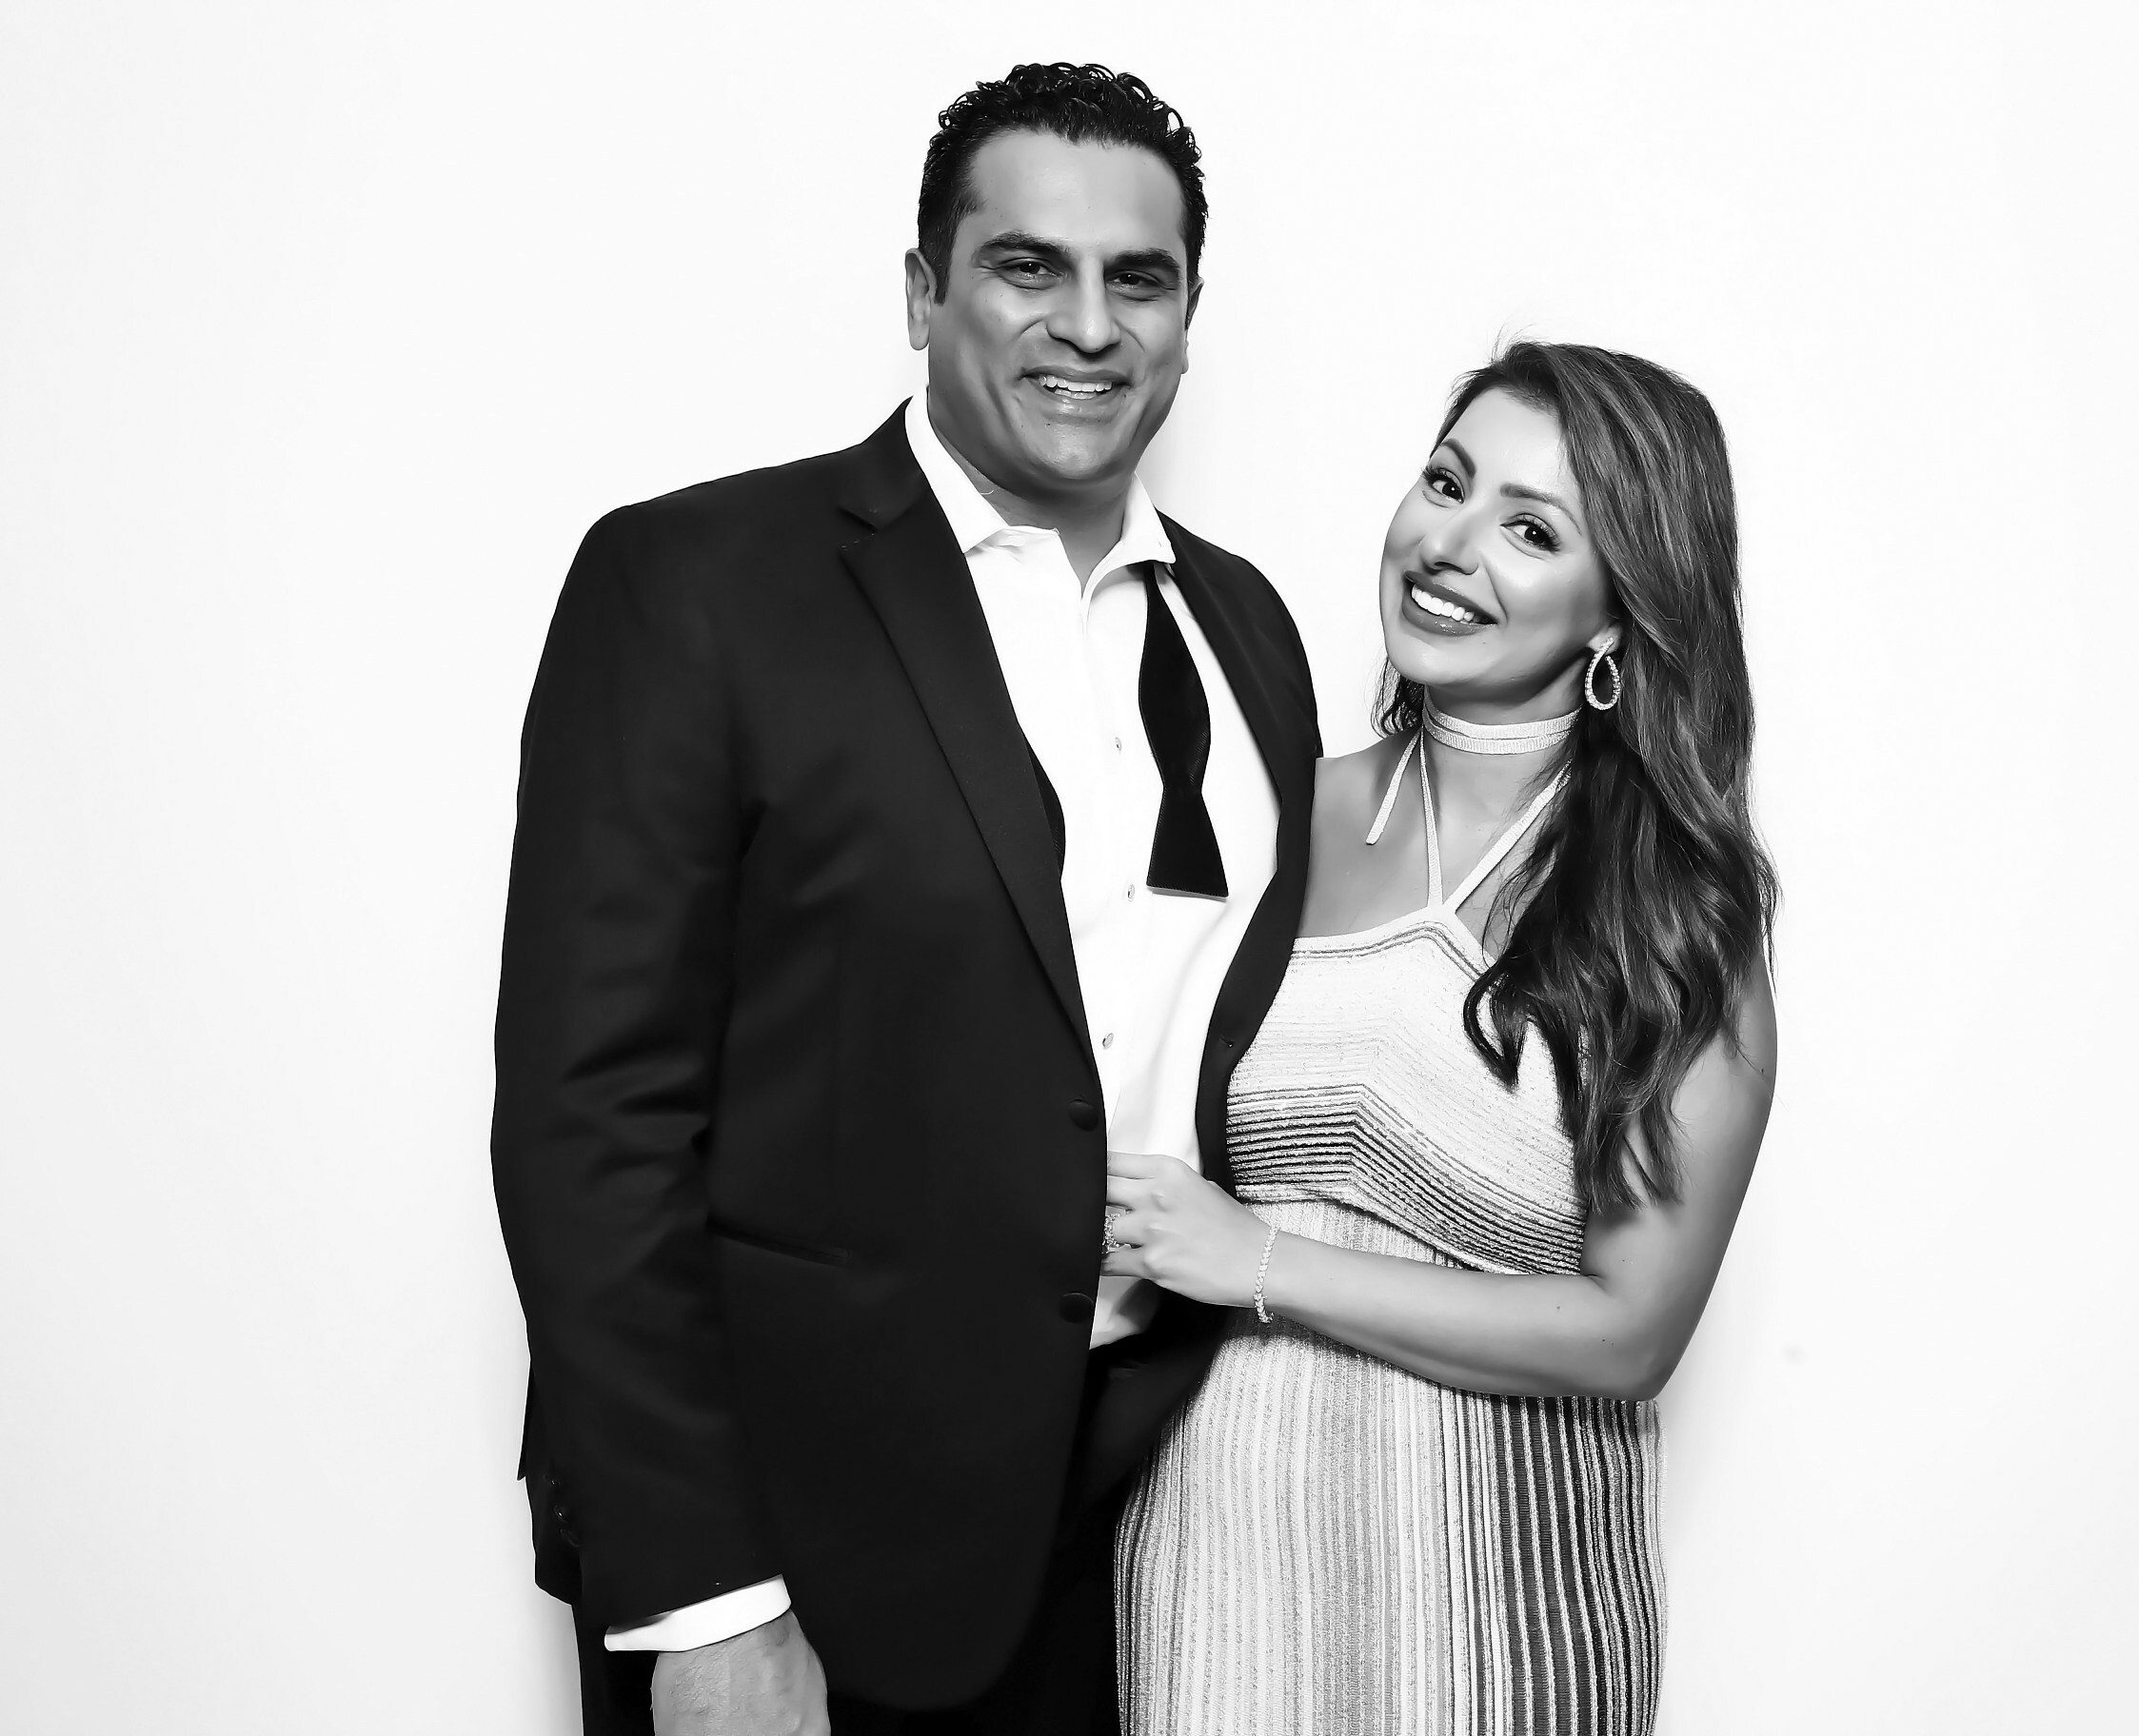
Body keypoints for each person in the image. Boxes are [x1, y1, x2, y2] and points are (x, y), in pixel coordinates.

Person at [491, 64, 1318, 1735]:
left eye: (1138, 278)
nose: (1087, 325)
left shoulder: (1248, 631)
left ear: (1186, 319)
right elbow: (591, 1122)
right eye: (1026, 266)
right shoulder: (699, 584)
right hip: (794, 1553)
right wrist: (708, 1604)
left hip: (1139, 1538)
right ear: (925, 293)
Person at [1103, 342, 1779, 1734]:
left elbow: (1629, 1333)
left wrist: (1261, 1262)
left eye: (1532, 531)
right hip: (1212, 1580)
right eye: (1448, 483)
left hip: (1497, 1614)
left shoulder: (1667, 914)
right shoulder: (1266, 811)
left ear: (1619, 613)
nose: (1450, 546)